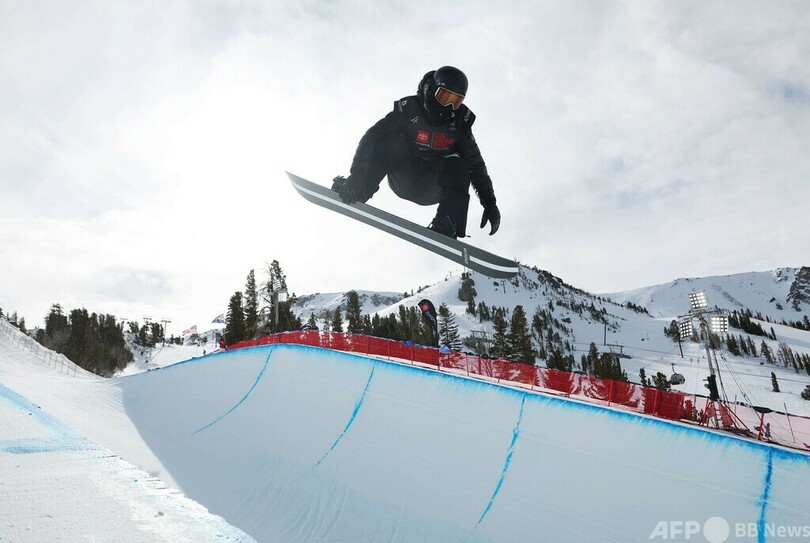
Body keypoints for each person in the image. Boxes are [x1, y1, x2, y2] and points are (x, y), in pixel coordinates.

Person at [332, 66, 500, 239]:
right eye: (444, 97)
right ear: (433, 90)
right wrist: (356, 176)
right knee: (390, 141)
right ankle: (360, 190)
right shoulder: (409, 110)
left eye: (455, 101)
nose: (449, 106)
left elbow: (476, 165)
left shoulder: (459, 125)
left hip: (432, 185)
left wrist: (490, 203)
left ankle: (446, 223)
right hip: (403, 175)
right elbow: (371, 137)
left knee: (459, 164)